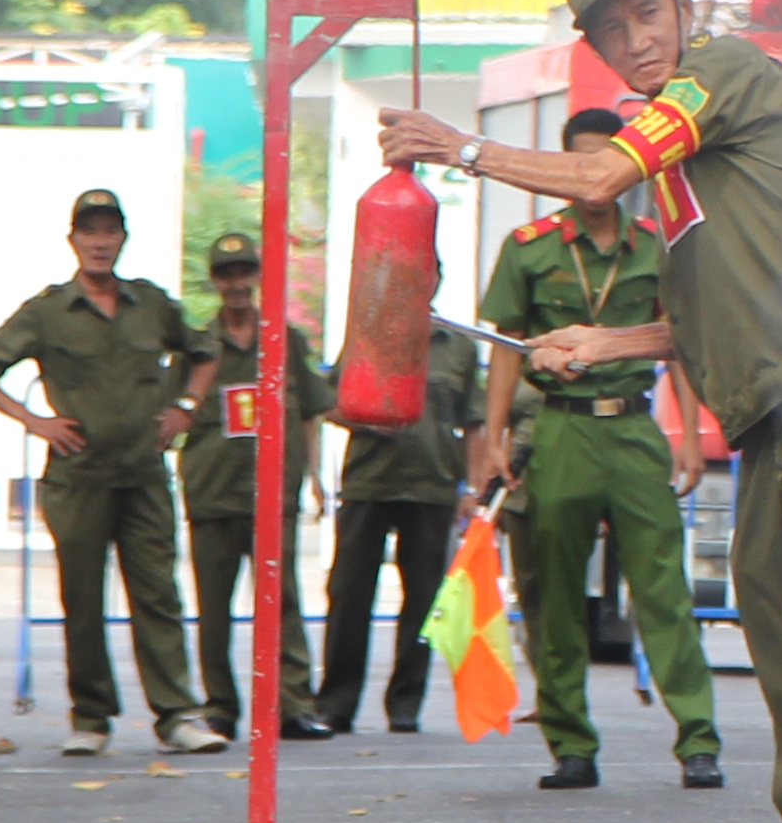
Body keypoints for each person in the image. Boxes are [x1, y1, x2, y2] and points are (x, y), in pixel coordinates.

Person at [373, 0, 782, 823]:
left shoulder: (721, 75)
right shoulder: (692, 171)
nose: (638, 41)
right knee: (776, 623)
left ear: (683, 11)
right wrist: (605, 337)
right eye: (613, 31)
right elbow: (713, 309)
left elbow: (597, 181)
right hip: (777, 405)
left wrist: (461, 149)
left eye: (648, 15)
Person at [471, 123, 727, 789]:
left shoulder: (657, 247)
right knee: (555, 591)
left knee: (664, 588)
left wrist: (692, 433)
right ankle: (571, 745)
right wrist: (493, 435)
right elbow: (506, 346)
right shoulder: (529, 249)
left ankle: (698, 739)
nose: (594, 176)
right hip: (562, 431)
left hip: (634, 431)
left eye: (606, 163)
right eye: (580, 162)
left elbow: (684, 342)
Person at [0, 190, 217, 756]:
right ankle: (91, 718)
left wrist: (186, 408)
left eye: (110, 231)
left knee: (158, 595)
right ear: (73, 239)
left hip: (144, 476)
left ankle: (177, 713)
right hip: (78, 479)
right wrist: (34, 421)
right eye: (90, 231)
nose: (100, 242)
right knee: (83, 600)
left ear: (123, 238)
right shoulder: (49, 311)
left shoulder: (151, 304)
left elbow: (205, 352)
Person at [175, 241, 323, 740]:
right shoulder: (196, 347)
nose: (236, 284)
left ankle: (293, 704)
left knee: (282, 601)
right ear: (214, 280)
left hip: (273, 494)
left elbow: (309, 414)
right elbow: (172, 413)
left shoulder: (286, 341)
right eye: (226, 274)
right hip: (214, 493)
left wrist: (317, 478)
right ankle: (220, 707)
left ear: (258, 275)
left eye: (245, 273)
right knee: (214, 609)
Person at [315, 318, 484, 733]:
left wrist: (474, 488)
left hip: (434, 485)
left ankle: (406, 704)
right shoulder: (367, 335)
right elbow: (328, 403)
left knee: (423, 600)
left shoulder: (458, 348)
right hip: (370, 481)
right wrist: (364, 418)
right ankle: (337, 702)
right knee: (349, 594)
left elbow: (474, 422)